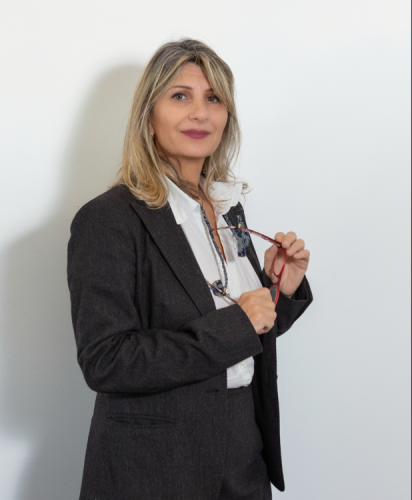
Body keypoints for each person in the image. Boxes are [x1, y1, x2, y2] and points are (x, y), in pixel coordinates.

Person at [67, 38, 313, 500]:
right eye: (180, 96)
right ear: (148, 115)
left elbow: (245, 327)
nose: (200, 113)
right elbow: (106, 361)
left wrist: (279, 291)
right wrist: (238, 323)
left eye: (213, 98)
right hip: (155, 466)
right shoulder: (108, 219)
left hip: (244, 453)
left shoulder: (226, 208)